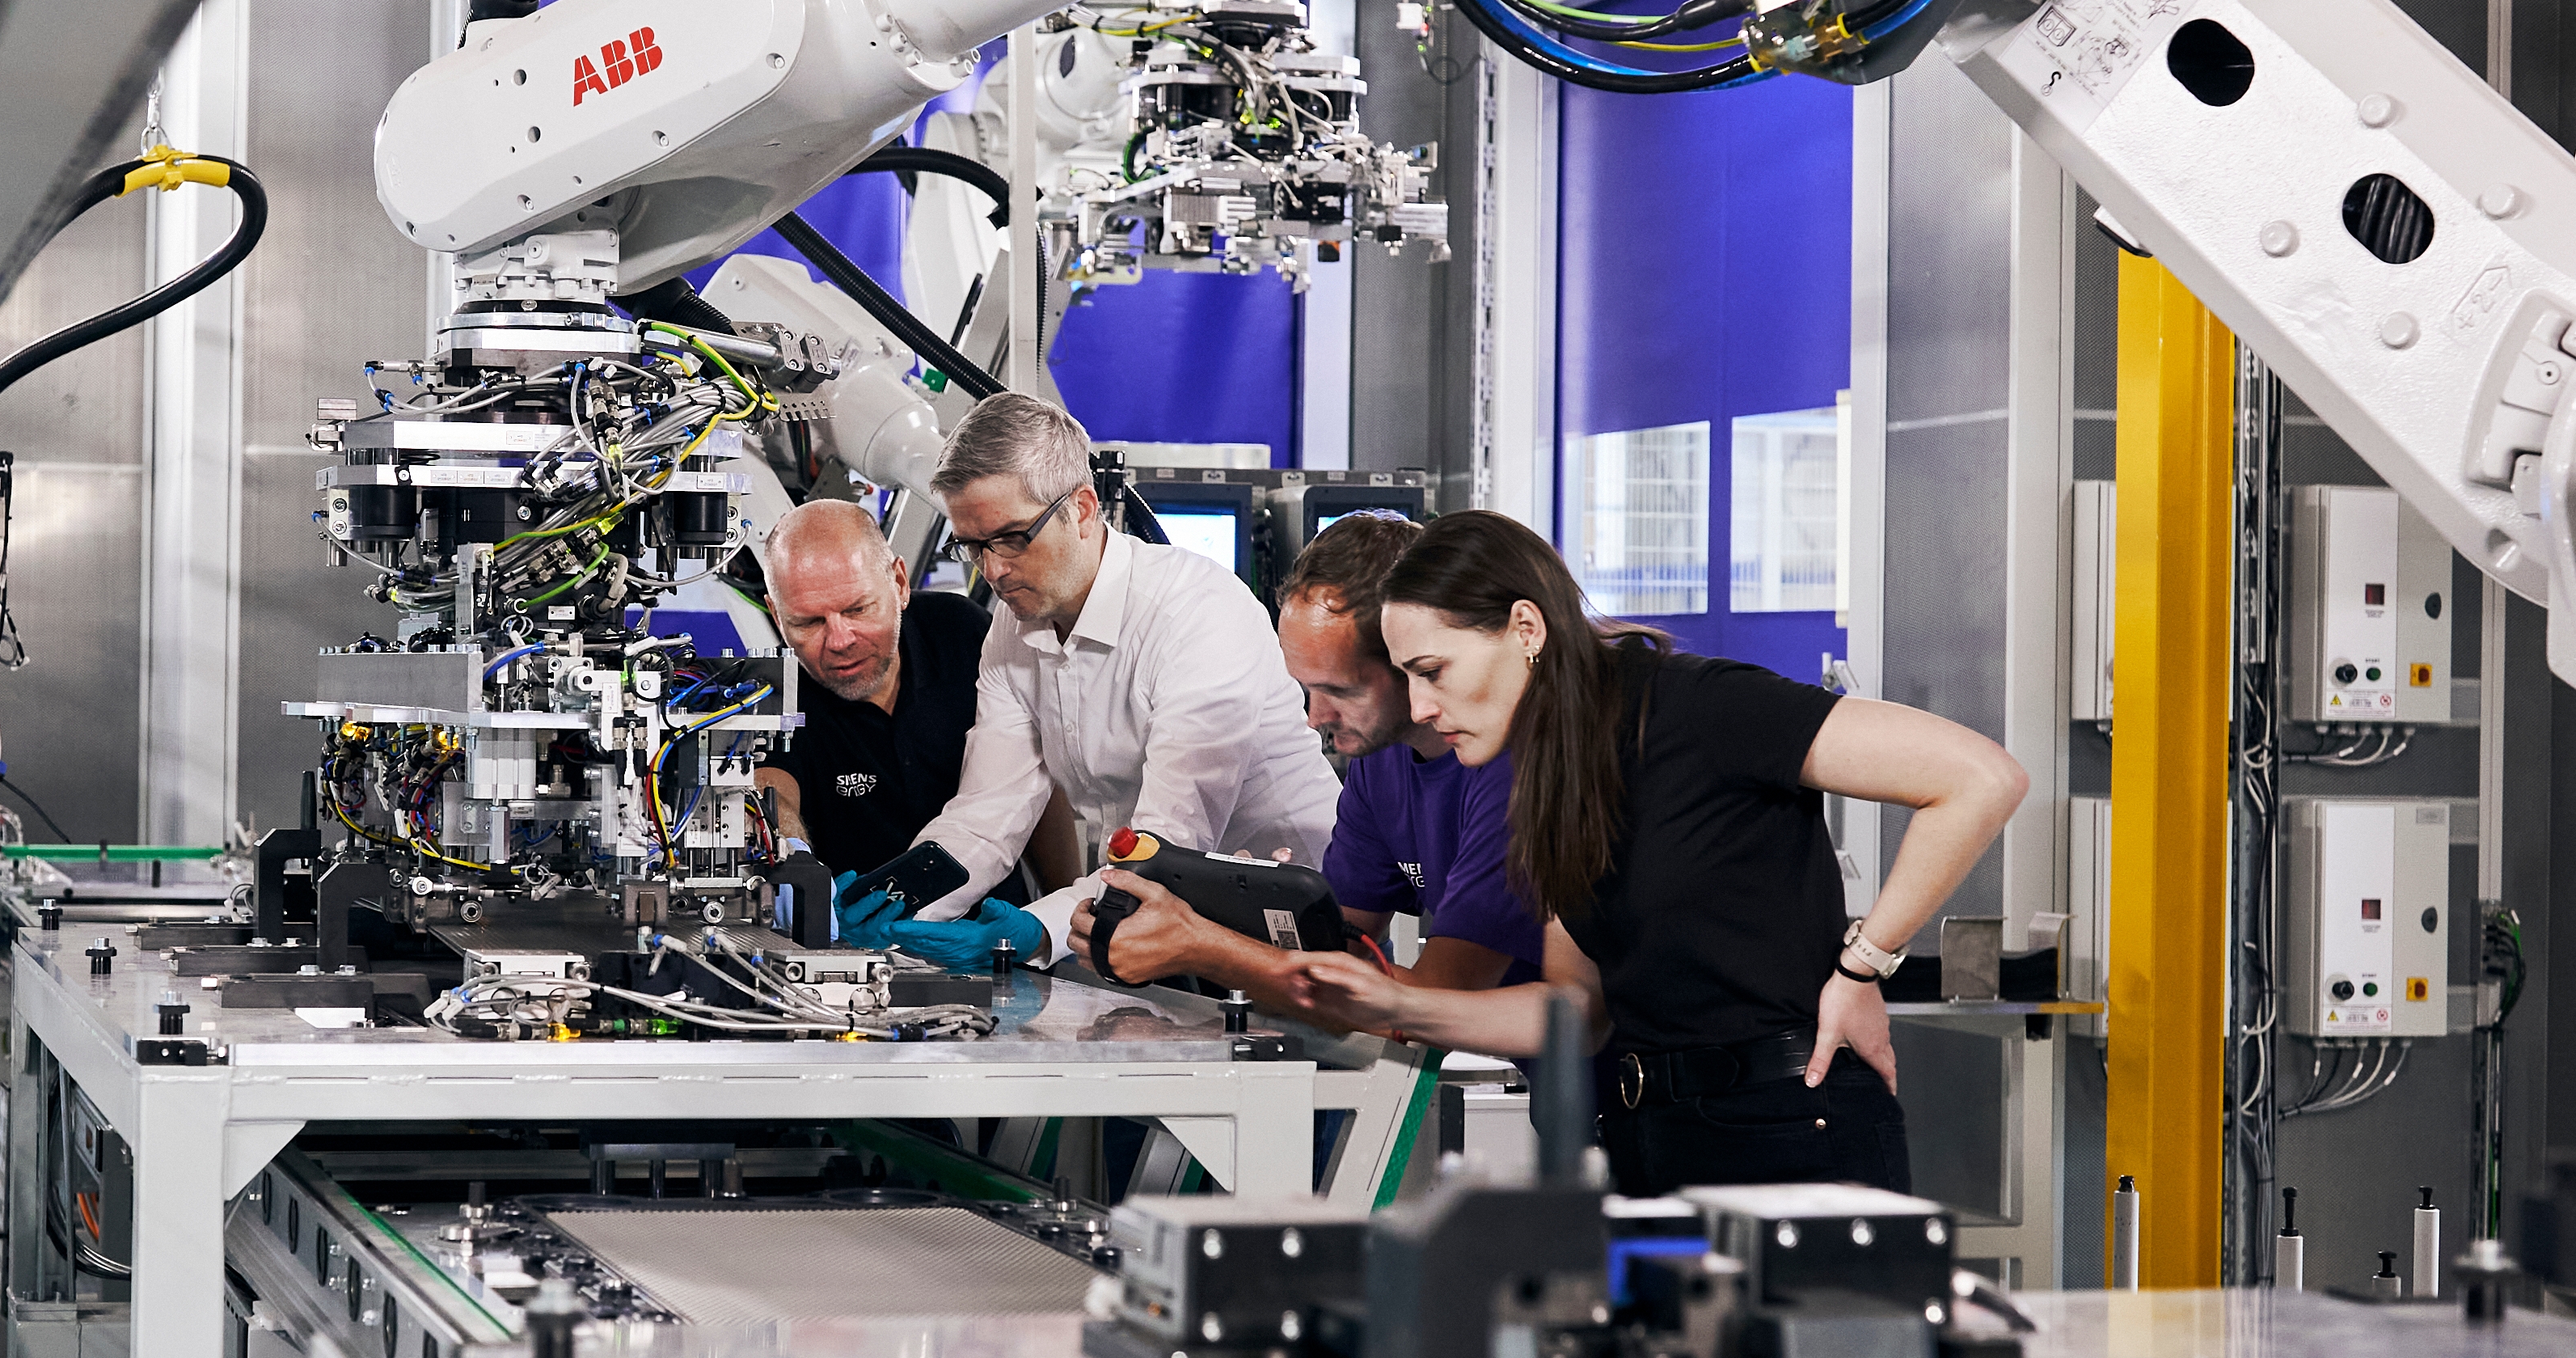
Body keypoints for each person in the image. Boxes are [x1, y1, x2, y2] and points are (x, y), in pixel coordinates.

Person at [1282, 507, 2026, 1195]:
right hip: (1646, 1138)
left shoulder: (1698, 707)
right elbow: (1577, 1009)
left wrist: (1864, 965)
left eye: (1433, 673)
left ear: (1526, 628)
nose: (1419, 709)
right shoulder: (1553, 771)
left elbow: (1979, 780)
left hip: (1790, 1130)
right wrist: (1396, 1003)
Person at [833, 393, 1337, 935]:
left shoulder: (1196, 611)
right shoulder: (1013, 627)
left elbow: (1169, 844)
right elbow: (988, 812)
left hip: (1297, 918)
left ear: (1082, 509)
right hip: (1158, 918)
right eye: (974, 547)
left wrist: (1031, 933)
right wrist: (902, 897)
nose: (995, 571)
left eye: (1012, 538)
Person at [1087, 510, 1535, 1022]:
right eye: (1307, 688)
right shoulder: (1379, 762)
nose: (1314, 718)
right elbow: (1340, 954)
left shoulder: (1509, 768)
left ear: (1406, 655)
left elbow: (1433, 1002)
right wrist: (1240, 919)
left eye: (1339, 690)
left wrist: (1204, 947)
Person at [747, 498, 990, 878]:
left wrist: (1056, 913)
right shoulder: (773, 688)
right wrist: (791, 858)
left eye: (858, 610)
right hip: (853, 931)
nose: (840, 640)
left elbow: (1034, 777)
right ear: (777, 617)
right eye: (809, 622)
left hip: (994, 928)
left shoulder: (963, 633)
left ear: (899, 583)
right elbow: (772, 792)